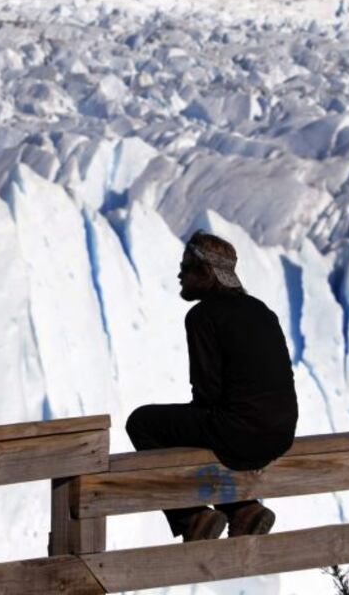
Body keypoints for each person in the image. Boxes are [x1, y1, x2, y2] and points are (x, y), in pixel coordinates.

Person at [126, 230, 298, 541]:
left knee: (142, 423)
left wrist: (192, 425)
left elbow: (207, 391)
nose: (180, 274)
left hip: (240, 433)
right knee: (206, 425)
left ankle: (191, 517)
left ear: (206, 272)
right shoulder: (261, 311)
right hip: (281, 433)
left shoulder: (203, 315)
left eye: (187, 267)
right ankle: (243, 509)